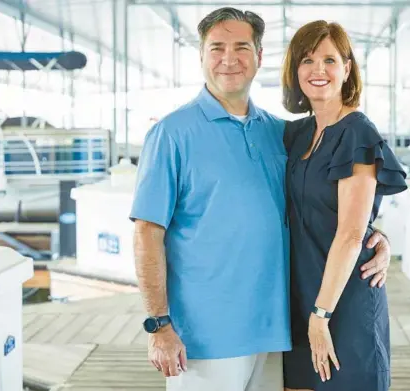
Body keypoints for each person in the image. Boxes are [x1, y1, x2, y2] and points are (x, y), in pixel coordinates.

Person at [129, 7, 393, 391]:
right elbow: (146, 234)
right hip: (206, 337)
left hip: (274, 331)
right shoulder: (171, 134)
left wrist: (374, 237)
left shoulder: (279, 133)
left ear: (259, 57)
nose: (229, 59)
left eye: (242, 47)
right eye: (217, 47)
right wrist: (158, 324)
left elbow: (326, 196)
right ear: (201, 55)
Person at [281, 20, 408, 391]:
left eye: (329, 60)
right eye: (307, 60)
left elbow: (352, 234)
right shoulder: (298, 133)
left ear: (347, 68)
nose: (318, 70)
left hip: (341, 300)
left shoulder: (357, 132)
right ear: (294, 71)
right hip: (302, 294)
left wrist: (321, 315)